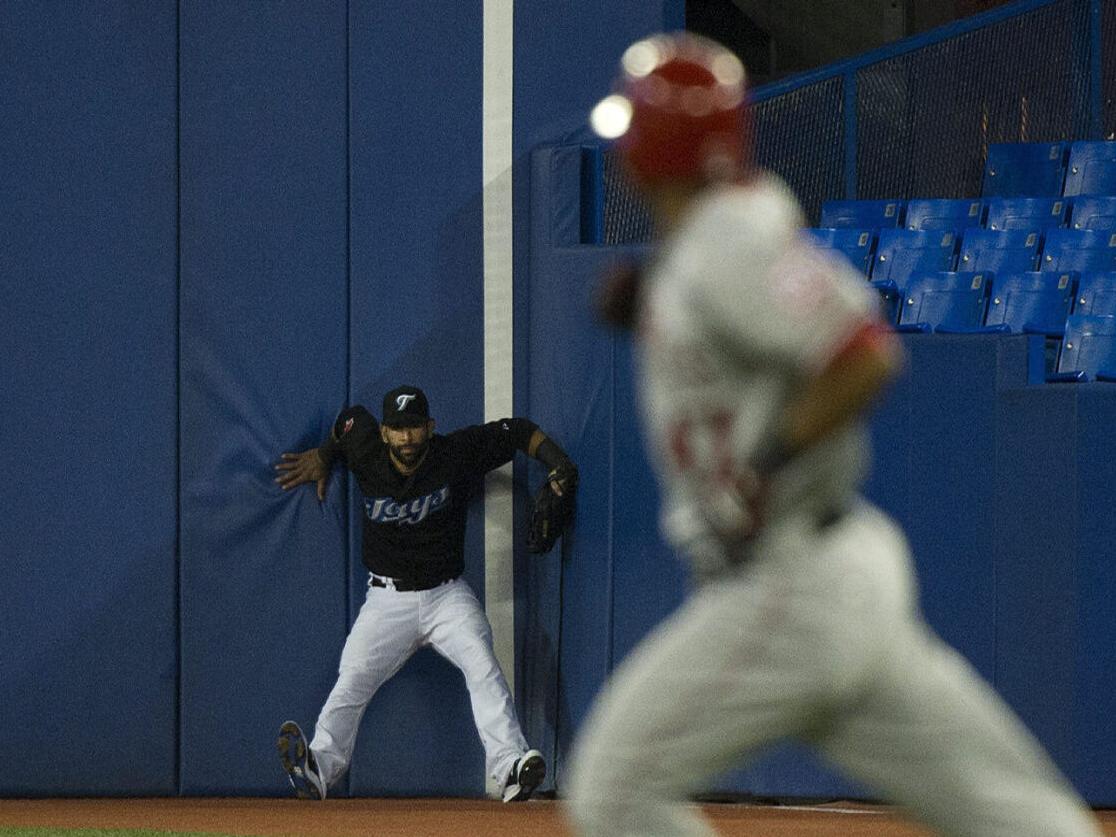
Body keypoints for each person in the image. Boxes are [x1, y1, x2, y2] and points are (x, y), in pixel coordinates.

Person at [565, 33, 1102, 837]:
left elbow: (860, 356)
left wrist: (767, 459)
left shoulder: (724, 241)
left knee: (611, 788)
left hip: (788, 580)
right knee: (1016, 813)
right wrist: (653, 288)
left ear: (659, 148)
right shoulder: (708, 242)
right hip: (839, 573)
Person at [273, 384, 576, 803]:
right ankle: (319, 768)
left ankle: (510, 766)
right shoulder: (363, 442)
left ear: (430, 427)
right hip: (386, 600)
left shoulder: (454, 453)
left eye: (414, 427)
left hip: (446, 596)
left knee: (481, 663)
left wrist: (561, 465)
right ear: (383, 433)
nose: (406, 437)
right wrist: (325, 455)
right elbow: (347, 423)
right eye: (397, 429)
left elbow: (519, 431)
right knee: (353, 678)